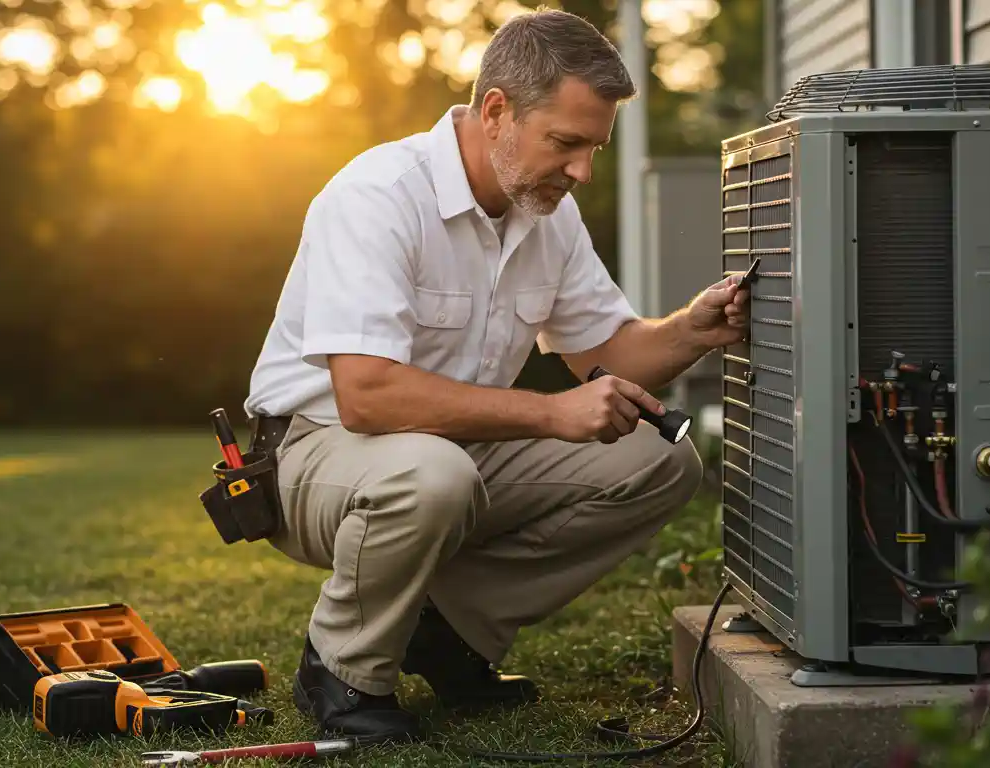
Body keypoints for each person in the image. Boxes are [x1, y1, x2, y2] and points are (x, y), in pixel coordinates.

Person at [242, 8, 751, 744]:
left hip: (451, 454)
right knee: (432, 475)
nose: (582, 171)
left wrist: (693, 331)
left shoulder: (545, 210)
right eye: (566, 143)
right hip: (311, 454)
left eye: (593, 148)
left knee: (660, 458)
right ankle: (342, 673)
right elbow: (366, 394)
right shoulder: (378, 196)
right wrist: (550, 413)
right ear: (495, 111)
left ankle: (446, 633)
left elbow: (609, 353)